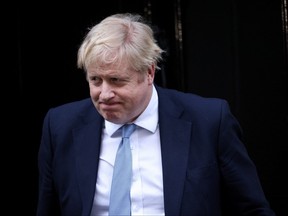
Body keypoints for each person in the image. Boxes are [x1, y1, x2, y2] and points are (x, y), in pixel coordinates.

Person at [36, 13, 276, 216]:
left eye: (117, 80)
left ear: (149, 73)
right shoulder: (60, 126)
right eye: (95, 80)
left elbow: (252, 209)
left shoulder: (210, 121)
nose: (104, 94)